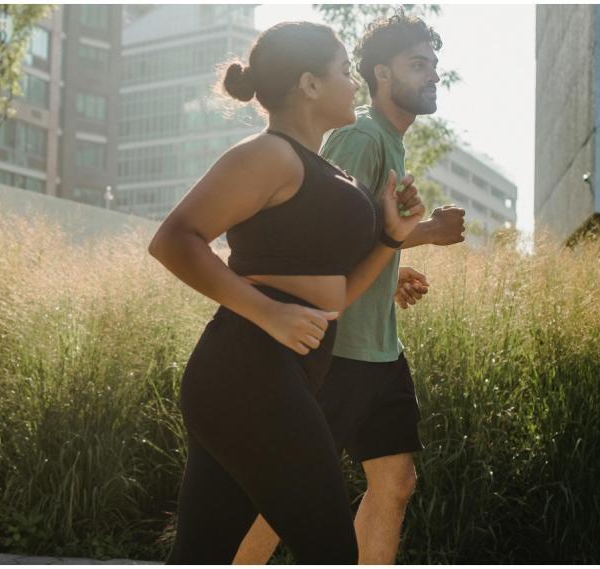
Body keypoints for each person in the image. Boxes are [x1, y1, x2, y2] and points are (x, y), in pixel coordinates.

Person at [148, 21, 426, 564]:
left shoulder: (324, 170)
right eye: (346, 72)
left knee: (200, 556)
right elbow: (173, 240)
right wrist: (269, 314)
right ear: (309, 85)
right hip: (248, 369)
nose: (355, 84)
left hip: (275, 373)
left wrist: (393, 236)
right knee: (330, 551)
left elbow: (337, 296)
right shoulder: (269, 155)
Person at [234, 13, 466, 565]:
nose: (432, 75)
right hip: (339, 351)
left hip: (381, 350)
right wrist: (428, 233)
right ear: (381, 74)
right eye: (418, 65)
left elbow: (366, 237)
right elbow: (318, 234)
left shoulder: (391, 141)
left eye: (433, 65)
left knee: (396, 482)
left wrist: (388, 279)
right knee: (283, 495)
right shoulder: (362, 138)